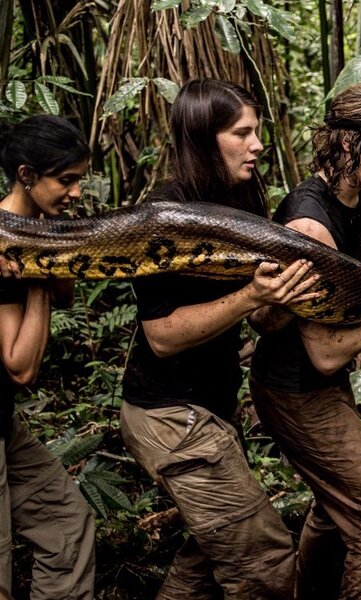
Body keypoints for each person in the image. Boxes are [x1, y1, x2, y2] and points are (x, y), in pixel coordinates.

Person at [118, 79, 319, 599]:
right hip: (168, 414)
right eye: (242, 133)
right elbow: (161, 336)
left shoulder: (241, 197)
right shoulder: (164, 213)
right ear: (205, 138)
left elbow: (259, 316)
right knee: (264, 562)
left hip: (208, 408)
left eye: (257, 132)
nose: (257, 145)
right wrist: (252, 296)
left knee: (206, 560)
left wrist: (285, 298)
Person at [249, 83, 361, 600]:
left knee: (336, 511)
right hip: (295, 389)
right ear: (349, 142)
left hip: (327, 386)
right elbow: (326, 353)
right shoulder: (309, 220)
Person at [0, 114, 95, 599]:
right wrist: (38, 267)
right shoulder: (2, 242)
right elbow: (19, 366)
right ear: (25, 176)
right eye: (66, 180)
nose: (76, 192)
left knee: (67, 527)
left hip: (4, 423)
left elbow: (63, 296)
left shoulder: (36, 229)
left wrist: (49, 247)